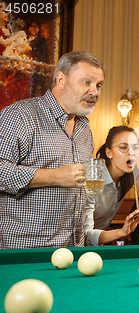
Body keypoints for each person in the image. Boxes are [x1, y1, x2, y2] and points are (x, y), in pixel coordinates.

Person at [0, 50, 105, 248]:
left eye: (98, 85)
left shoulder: (85, 129)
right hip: (24, 250)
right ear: (61, 80)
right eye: (87, 82)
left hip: (71, 248)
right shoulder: (20, 116)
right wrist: (55, 176)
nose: (95, 92)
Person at [83, 126, 139, 246]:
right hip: (75, 249)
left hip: (97, 249)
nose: (131, 152)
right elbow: (86, 235)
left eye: (135, 147)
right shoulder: (92, 180)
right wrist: (121, 232)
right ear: (109, 153)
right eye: (123, 147)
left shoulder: (125, 181)